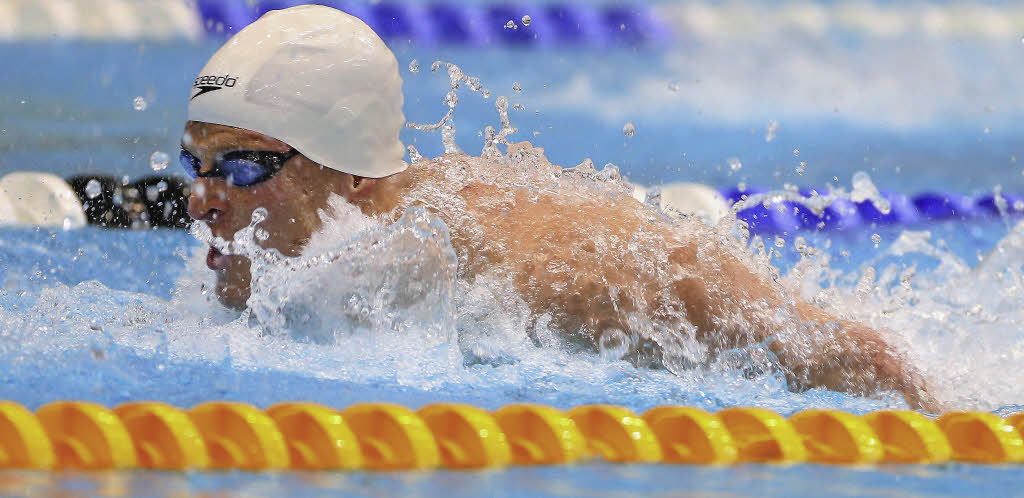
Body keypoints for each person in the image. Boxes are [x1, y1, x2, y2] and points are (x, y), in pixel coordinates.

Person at [181, 5, 935, 410]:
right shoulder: (311, 269)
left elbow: (826, 350)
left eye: (243, 166)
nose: (201, 201)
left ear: (354, 180)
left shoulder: (530, 275)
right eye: (196, 165)